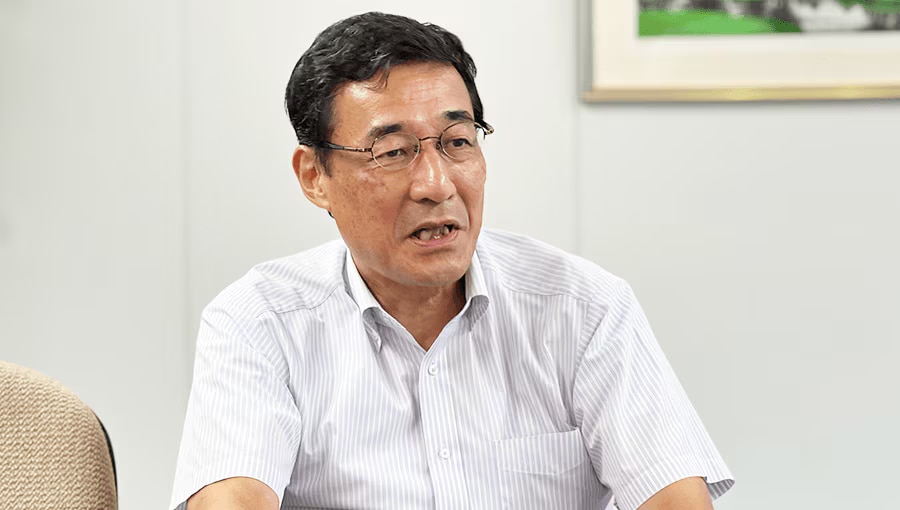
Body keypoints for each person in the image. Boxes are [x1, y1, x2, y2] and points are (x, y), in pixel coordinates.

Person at [171, 12, 734, 510]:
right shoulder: (260, 323)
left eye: (458, 141)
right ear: (315, 176)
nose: (436, 184)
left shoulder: (584, 309)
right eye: (393, 152)